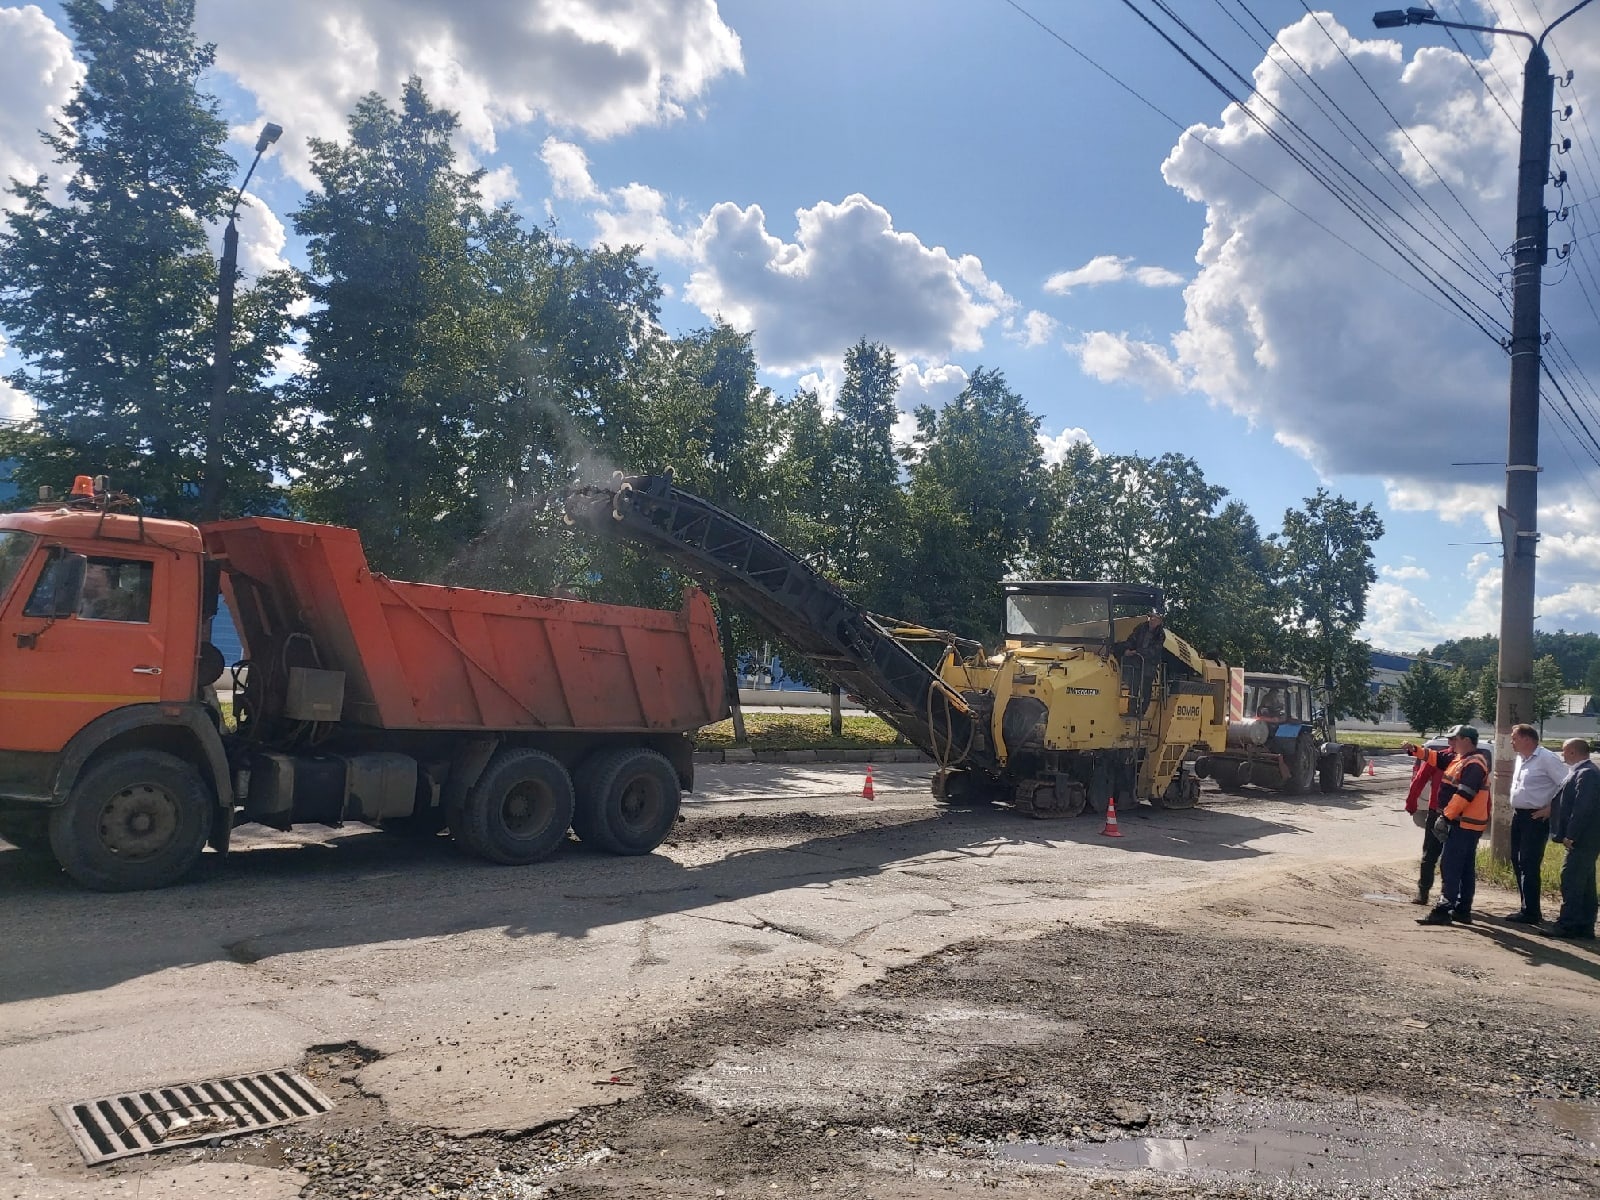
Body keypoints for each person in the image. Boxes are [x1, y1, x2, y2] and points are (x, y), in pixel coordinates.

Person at [1402, 724, 1490, 927]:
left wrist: (1447, 816)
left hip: (1463, 823)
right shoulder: (1461, 758)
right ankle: (1462, 910)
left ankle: (1443, 910)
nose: (1450, 743)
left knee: (1450, 865)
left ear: (1466, 741)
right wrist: (1414, 749)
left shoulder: (1474, 763)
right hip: (1465, 823)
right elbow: (1436, 758)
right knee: (1465, 868)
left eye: (1454, 739)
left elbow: (1465, 793)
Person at [1505, 724, 1567, 924]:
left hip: (1536, 817)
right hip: (1519, 816)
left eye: (1514, 738)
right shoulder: (1520, 758)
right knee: (1516, 859)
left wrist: (1550, 809)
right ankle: (1526, 907)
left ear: (1527, 739)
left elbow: (1567, 784)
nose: (1511, 742)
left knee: (1529, 863)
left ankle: (1532, 912)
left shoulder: (1546, 758)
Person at [1545, 738, 1599, 940]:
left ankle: (1567, 925)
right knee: (1584, 883)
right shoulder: (1584, 772)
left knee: (1571, 880)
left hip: (1583, 838)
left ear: (1574, 752)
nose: (1562, 755)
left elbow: (1582, 808)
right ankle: (1584, 926)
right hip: (1587, 838)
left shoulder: (1586, 774)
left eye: (1565, 751)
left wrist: (1571, 835)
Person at [1403, 749, 1446, 906]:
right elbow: (1419, 779)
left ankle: (1448, 897)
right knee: (1429, 855)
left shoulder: (1469, 761)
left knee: (1452, 859)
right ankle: (1423, 892)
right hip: (1436, 813)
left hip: (1459, 817)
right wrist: (1411, 802)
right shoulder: (1439, 758)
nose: (1453, 743)